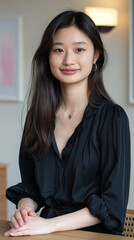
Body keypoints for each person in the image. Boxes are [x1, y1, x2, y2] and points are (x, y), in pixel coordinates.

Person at [4, 10, 130, 237]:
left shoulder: (113, 118)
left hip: (93, 235)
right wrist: (25, 210)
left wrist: (50, 224)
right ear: (48, 56)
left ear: (95, 56)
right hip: (44, 233)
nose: (68, 60)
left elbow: (112, 205)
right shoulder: (37, 116)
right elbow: (32, 188)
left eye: (79, 49)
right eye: (58, 50)